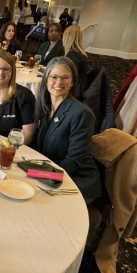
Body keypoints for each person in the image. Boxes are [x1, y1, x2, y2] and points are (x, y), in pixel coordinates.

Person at [34, 56, 102, 204]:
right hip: (52, 171)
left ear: (72, 82)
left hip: (77, 179)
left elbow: (73, 161)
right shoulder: (45, 107)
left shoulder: (81, 113)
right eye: (54, 77)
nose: (59, 82)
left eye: (65, 77)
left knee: (35, 199)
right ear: (46, 79)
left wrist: (41, 177)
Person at [62, 25, 89, 99]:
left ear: (68, 37)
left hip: (75, 94)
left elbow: (69, 77)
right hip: (80, 90)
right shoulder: (80, 52)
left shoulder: (73, 54)